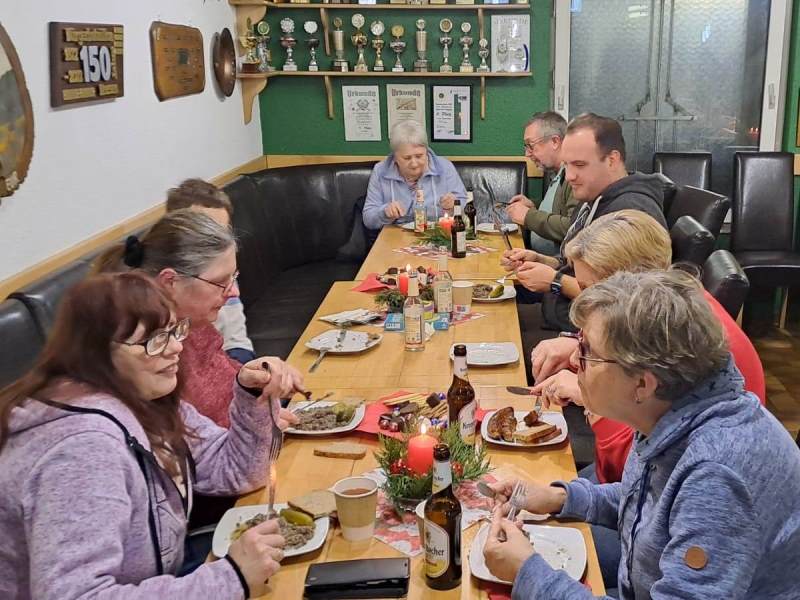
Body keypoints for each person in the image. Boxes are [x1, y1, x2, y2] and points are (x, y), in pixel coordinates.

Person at [483, 270, 800, 599]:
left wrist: (528, 572)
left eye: (587, 351)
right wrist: (559, 498)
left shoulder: (716, 476)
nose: (575, 359)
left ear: (642, 384)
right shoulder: (672, 410)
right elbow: (651, 499)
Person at [0, 272, 292, 599]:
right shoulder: (82, 449)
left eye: (174, 331)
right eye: (153, 340)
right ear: (96, 353)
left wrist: (251, 396)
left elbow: (236, 471)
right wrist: (231, 578)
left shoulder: (145, 399)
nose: (176, 347)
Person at [531, 210, 766, 484]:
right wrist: (581, 348)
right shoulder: (670, 309)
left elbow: (631, 474)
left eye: (590, 289)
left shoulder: (682, 341)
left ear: (628, 284)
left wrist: (592, 400)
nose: (581, 297)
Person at [96, 209, 304, 429]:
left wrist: (259, 379)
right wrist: (256, 425)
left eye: (233, 278)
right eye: (220, 282)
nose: (234, 292)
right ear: (170, 281)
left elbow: (226, 380)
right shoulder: (148, 359)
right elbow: (192, 440)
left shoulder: (195, 324)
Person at [501, 113, 668, 301]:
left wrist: (556, 282)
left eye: (579, 165)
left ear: (612, 160)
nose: (570, 176)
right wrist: (541, 260)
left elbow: (629, 300)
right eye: (566, 165)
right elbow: (577, 266)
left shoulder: (633, 212)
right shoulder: (592, 196)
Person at [166, 178, 255, 364]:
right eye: (207, 235)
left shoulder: (222, 272)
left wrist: (246, 371)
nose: (219, 244)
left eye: (223, 233)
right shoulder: (165, 296)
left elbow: (235, 338)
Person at [362, 120, 467, 230]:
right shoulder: (380, 171)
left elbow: (464, 207)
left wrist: (454, 205)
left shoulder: (445, 167)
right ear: (395, 157)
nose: (414, 163)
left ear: (426, 151)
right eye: (407, 158)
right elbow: (368, 219)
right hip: (395, 235)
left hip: (436, 234)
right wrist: (385, 213)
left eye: (419, 156)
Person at [505, 111, 578, 255]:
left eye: (530, 145)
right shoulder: (556, 173)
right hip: (539, 259)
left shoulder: (573, 177)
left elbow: (573, 228)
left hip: (555, 265)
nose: (527, 154)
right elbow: (557, 210)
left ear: (555, 142)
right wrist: (534, 206)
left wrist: (528, 216)